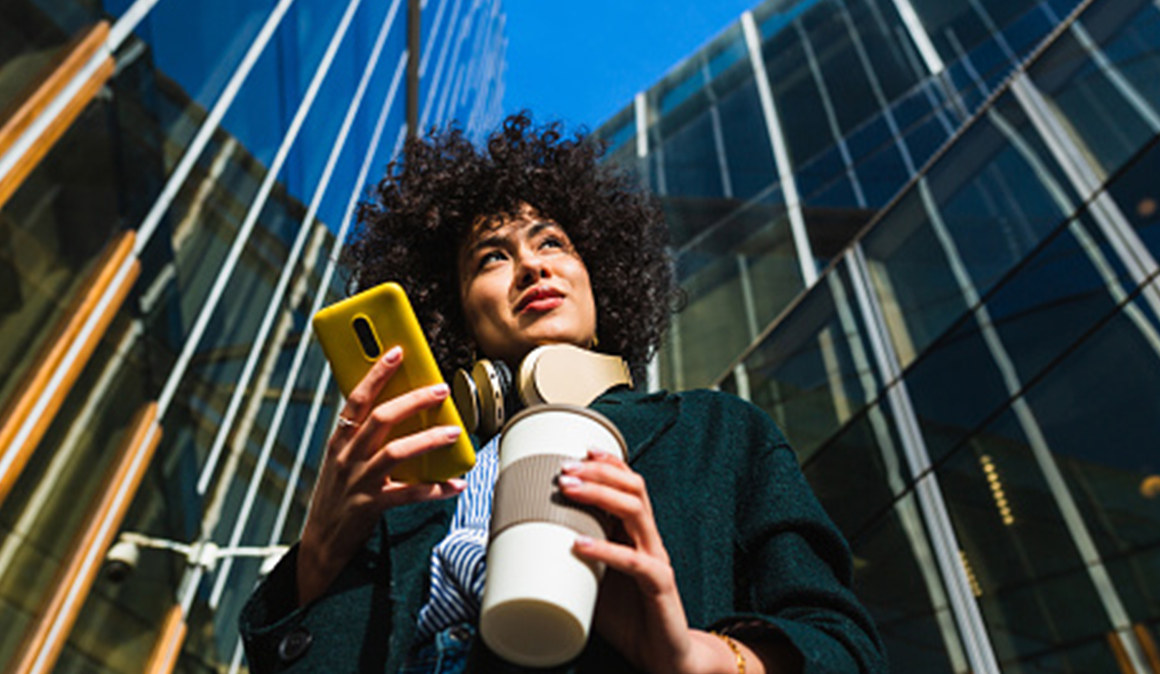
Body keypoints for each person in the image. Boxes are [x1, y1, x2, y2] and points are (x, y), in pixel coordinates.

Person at [239, 112, 887, 674]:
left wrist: (695, 657)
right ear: (456, 312)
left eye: (553, 242)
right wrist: (319, 558)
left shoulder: (717, 432)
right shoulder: (402, 484)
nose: (532, 265)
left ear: (600, 278)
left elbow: (844, 648)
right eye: (492, 256)